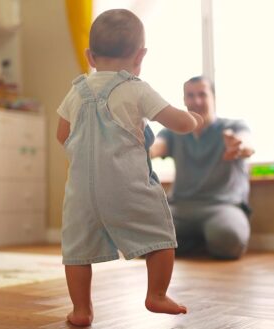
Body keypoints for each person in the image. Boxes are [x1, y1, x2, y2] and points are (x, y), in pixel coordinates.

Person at [56, 9, 203, 327]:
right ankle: (157, 295)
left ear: (89, 56)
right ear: (141, 55)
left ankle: (81, 310)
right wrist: (193, 119)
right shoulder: (136, 88)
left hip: (80, 193)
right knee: (162, 235)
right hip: (127, 186)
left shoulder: (76, 91)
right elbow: (177, 122)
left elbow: (61, 135)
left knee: (77, 251)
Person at [150, 76, 254, 260]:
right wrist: (137, 148)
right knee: (147, 238)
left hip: (222, 206)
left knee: (228, 239)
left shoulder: (234, 126)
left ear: (213, 97)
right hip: (180, 208)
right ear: (184, 100)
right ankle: (198, 242)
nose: (196, 101)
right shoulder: (172, 132)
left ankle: (190, 242)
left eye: (202, 95)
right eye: (190, 96)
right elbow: (155, 148)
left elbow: (246, 145)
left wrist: (237, 146)